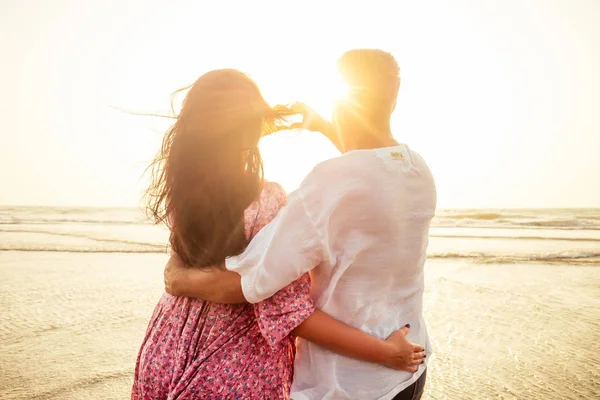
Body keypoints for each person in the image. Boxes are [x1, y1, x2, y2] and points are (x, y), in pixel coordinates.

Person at [131, 68, 425, 400]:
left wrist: (177, 279)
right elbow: (287, 312)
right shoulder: (267, 199)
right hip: (233, 370)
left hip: (164, 350)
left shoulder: (183, 195)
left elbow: (359, 174)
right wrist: (384, 353)